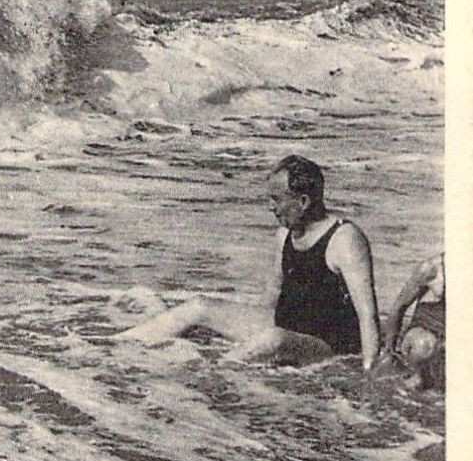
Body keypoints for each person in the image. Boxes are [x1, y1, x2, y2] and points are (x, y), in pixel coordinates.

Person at [116, 155, 381, 370]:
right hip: (286, 325)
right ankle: (115, 349)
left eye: (277, 199)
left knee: (273, 339)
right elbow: (272, 295)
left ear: (303, 201)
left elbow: (367, 316)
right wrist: (243, 332)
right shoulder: (285, 233)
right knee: (199, 307)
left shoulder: (345, 239)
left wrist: (369, 372)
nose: (270, 206)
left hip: (328, 344)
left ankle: (210, 374)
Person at [382, 252, 444, 389]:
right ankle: (414, 379)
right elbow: (398, 308)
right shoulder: (432, 269)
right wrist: (388, 353)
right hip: (425, 336)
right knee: (423, 344)